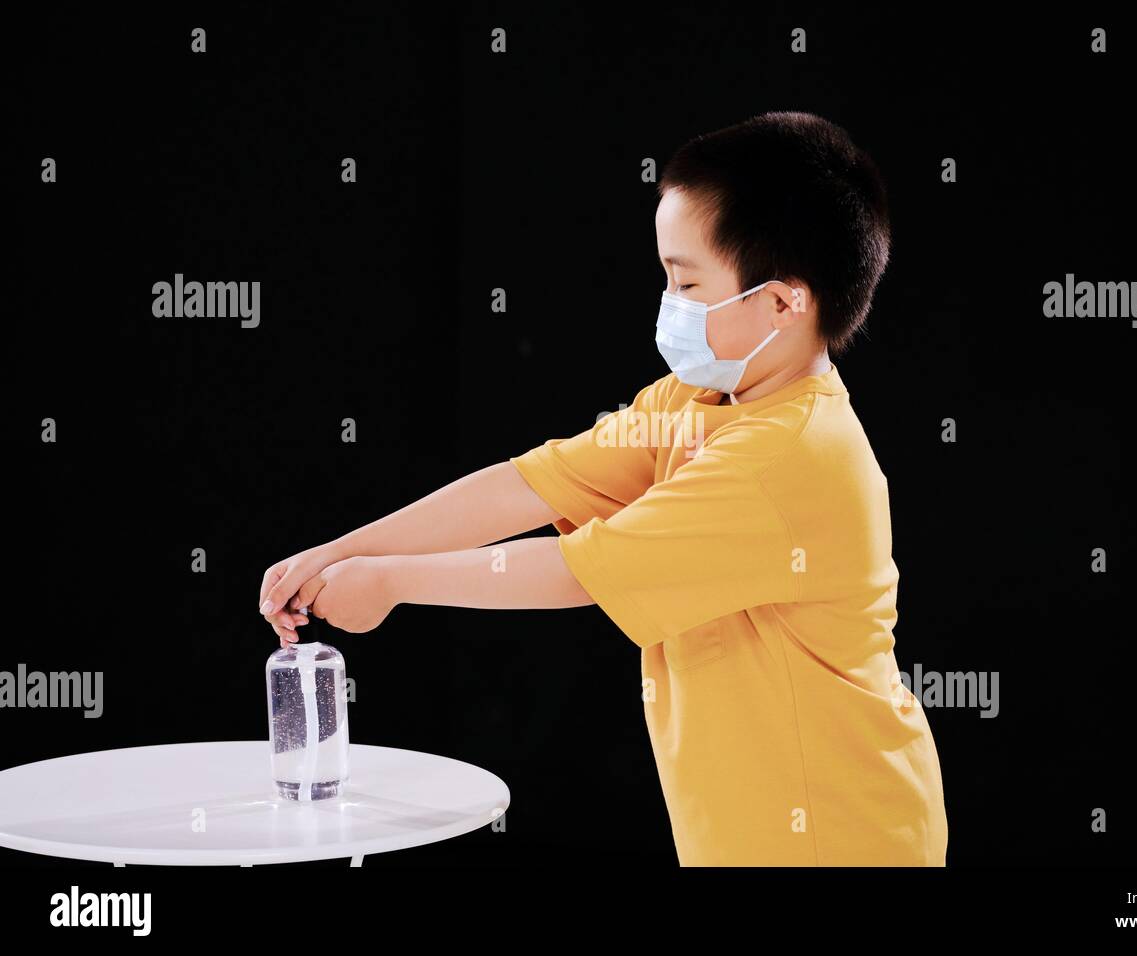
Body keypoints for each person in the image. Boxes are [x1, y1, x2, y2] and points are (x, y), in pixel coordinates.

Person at [259, 111, 948, 866]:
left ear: (785, 303)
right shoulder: (693, 402)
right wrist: (336, 553)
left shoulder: (790, 456)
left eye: (687, 282)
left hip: (840, 837)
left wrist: (390, 582)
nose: (670, 303)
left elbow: (578, 569)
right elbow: (528, 485)